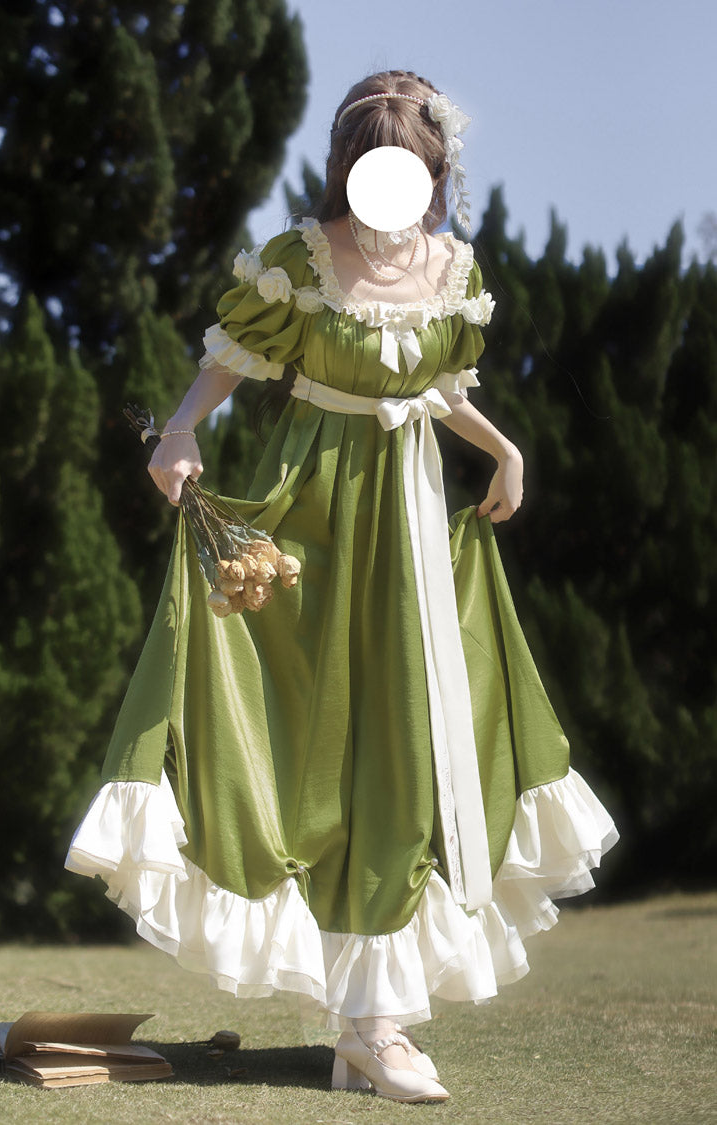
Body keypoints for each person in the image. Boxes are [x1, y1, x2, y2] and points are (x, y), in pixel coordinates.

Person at [66, 70, 618, 1104]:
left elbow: (436, 387)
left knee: (409, 746)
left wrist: (504, 449)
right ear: (348, 166)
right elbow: (232, 359)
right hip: (309, 519)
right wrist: (180, 428)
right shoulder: (302, 261)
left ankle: (372, 1026)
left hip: (409, 524)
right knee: (306, 748)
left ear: (435, 171)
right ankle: (368, 1026)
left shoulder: (452, 268)